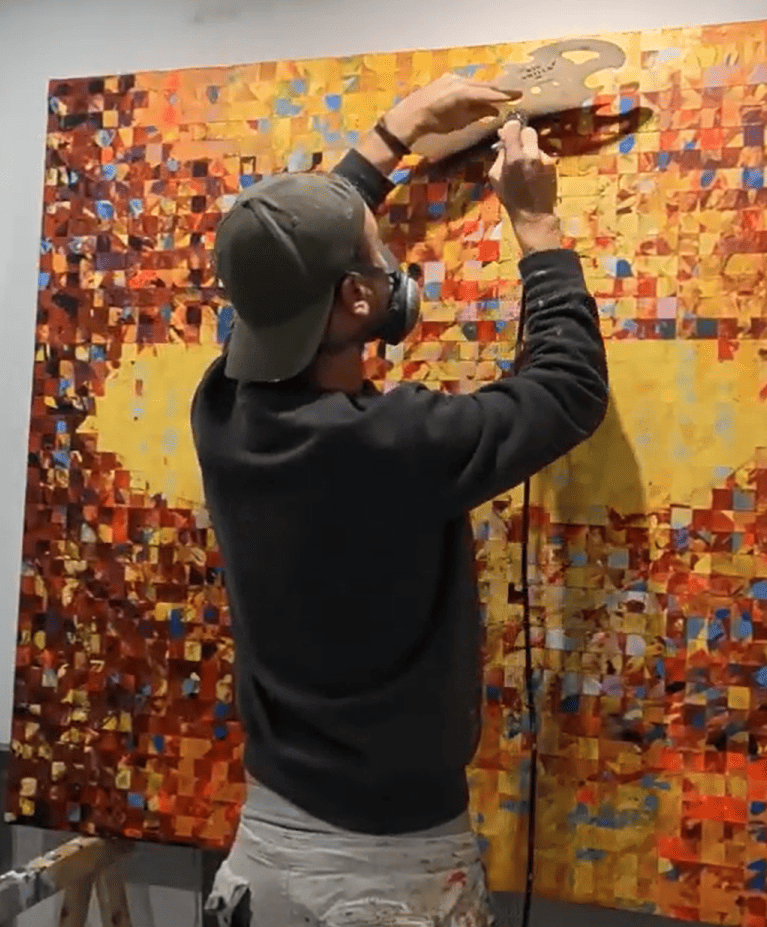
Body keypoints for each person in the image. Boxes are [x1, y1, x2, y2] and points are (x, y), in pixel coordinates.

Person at [192, 73, 610, 927]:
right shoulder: (394, 444)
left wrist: (395, 131)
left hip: (263, 855)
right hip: (384, 878)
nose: (392, 266)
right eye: (378, 254)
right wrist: (536, 226)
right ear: (356, 297)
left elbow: (284, 258)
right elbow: (567, 390)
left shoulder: (221, 408)